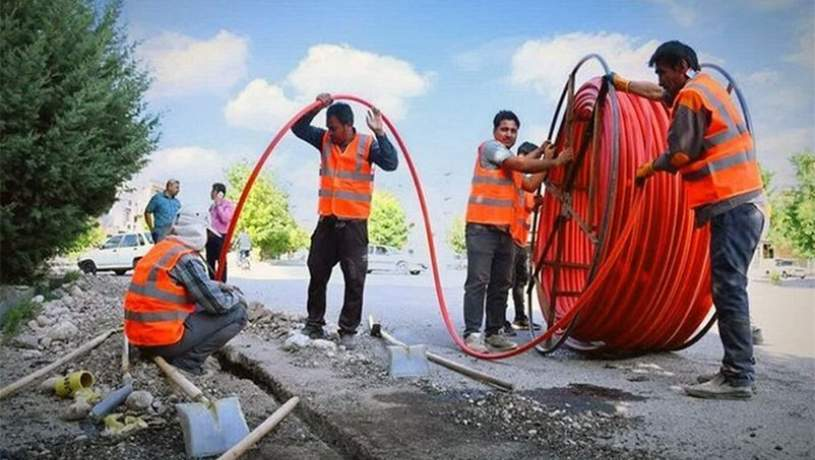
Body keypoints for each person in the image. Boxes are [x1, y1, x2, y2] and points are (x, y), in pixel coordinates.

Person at [611, 40, 765, 399]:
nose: (660, 80)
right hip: (744, 203)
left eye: (663, 72)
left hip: (732, 203)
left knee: (728, 288)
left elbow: (681, 153)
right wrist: (625, 85)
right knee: (729, 286)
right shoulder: (706, 85)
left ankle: (738, 377)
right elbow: (659, 94)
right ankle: (735, 368)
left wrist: (650, 167)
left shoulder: (691, 97)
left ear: (681, 66)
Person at [291, 93, 398, 349]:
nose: (330, 132)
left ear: (349, 126)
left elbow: (391, 163)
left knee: (354, 279)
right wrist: (318, 107)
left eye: (334, 128)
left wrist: (381, 133)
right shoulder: (324, 140)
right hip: (327, 222)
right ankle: (314, 324)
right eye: (328, 127)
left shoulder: (367, 144)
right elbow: (298, 127)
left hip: (354, 226)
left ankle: (347, 329)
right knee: (317, 273)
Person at [463, 110, 572, 353]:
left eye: (513, 130)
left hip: (506, 233)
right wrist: (555, 162)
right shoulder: (490, 149)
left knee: (501, 284)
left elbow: (531, 184)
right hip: (482, 228)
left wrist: (543, 154)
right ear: (495, 131)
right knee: (478, 281)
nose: (509, 134)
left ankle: (494, 333)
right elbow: (520, 163)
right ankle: (472, 334)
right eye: (504, 129)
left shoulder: (511, 166)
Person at [124, 208, 248, 375]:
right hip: (162, 342)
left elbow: (183, 284)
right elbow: (217, 305)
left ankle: (177, 353)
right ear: (198, 232)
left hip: (139, 339)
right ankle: (189, 362)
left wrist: (218, 286)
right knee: (239, 312)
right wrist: (237, 296)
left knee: (199, 305)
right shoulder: (186, 259)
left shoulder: (162, 249)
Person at [503, 141, 545, 336]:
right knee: (504, 281)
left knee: (521, 280)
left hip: (521, 240)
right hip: (508, 237)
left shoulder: (526, 184)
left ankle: (520, 317)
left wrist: (538, 204)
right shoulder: (512, 177)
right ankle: (499, 321)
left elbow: (529, 204)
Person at [207, 183, 236, 281]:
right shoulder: (212, 206)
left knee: (221, 261)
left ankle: (222, 282)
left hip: (221, 236)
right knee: (210, 261)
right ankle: (212, 281)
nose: (211, 193)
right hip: (210, 236)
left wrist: (219, 205)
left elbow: (225, 219)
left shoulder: (227, 205)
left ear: (219, 193)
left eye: (213, 191)